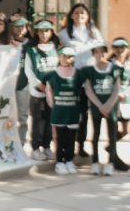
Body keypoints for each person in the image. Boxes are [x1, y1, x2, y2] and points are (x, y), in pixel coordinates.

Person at [57, 3, 105, 158]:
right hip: (72, 78)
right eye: (76, 13)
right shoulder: (64, 34)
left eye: (83, 13)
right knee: (72, 112)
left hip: (90, 78)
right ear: (71, 16)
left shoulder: (95, 33)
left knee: (85, 114)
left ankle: (81, 145)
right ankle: (67, 144)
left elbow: (101, 52)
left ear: (88, 16)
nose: (80, 15)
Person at [83, 41, 126, 175]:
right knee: (95, 135)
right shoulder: (89, 70)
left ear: (106, 53)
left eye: (102, 51)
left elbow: (116, 89)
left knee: (112, 136)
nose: (100, 54)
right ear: (93, 54)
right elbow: (88, 90)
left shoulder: (114, 69)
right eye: (97, 52)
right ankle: (95, 162)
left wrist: (108, 106)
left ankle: (110, 163)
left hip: (111, 107)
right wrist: (100, 106)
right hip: (97, 107)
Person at [23, 20, 60, 161]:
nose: (43, 34)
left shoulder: (56, 49)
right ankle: (35, 147)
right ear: (36, 33)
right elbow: (28, 70)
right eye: (40, 31)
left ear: (51, 32)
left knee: (50, 120)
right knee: (37, 120)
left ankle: (46, 146)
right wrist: (38, 84)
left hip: (52, 92)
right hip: (37, 92)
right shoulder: (31, 51)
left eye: (46, 30)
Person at [45, 45, 81, 175]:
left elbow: (81, 92)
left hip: (72, 111)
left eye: (70, 56)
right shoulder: (53, 74)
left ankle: (69, 160)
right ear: (59, 57)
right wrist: (53, 105)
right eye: (64, 56)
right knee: (60, 138)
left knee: (71, 138)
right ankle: (60, 161)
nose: (67, 59)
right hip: (59, 112)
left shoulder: (78, 73)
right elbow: (48, 90)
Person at [9, 16, 32, 148]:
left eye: (22, 26)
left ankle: (21, 144)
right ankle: (9, 143)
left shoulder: (31, 43)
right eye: (16, 26)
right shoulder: (7, 43)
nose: (19, 29)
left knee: (23, 117)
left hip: (24, 84)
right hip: (8, 85)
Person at [110, 38, 130, 141]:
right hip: (112, 99)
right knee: (112, 128)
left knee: (126, 131)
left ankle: (111, 146)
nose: (120, 50)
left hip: (126, 99)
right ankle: (112, 150)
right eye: (116, 47)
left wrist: (124, 94)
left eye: (122, 47)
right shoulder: (109, 63)